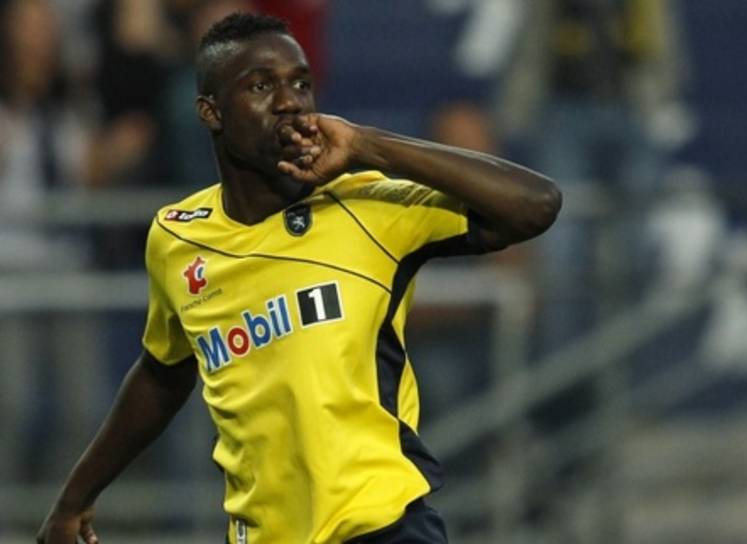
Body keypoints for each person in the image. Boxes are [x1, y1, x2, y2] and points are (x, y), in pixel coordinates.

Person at [37, 12, 560, 544]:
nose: (289, 101)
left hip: (383, 528)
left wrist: (369, 145)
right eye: (261, 86)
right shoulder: (177, 236)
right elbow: (162, 373)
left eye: (301, 83)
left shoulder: (364, 206)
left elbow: (537, 205)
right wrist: (74, 500)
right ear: (211, 112)